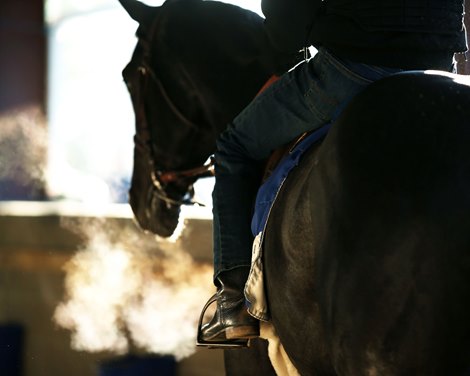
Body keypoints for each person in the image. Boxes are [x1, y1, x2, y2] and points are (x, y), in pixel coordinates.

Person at [198, 0, 468, 346]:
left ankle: (234, 302)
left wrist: (284, 44)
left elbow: (287, 15)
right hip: (441, 68)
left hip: (353, 68)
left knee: (233, 147)